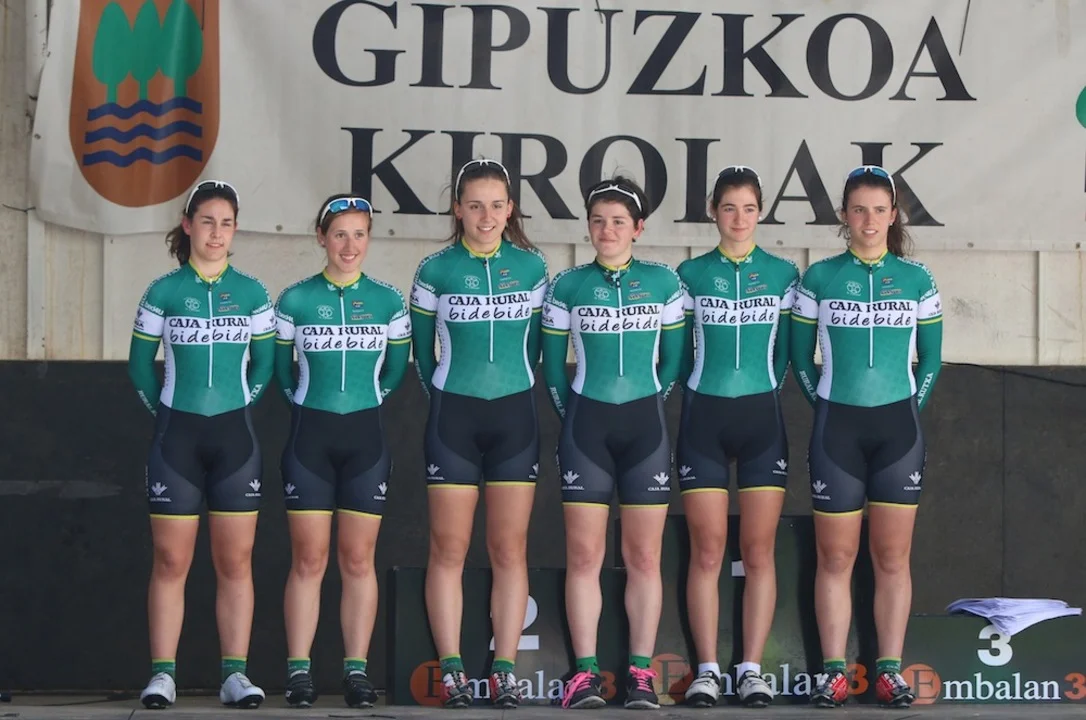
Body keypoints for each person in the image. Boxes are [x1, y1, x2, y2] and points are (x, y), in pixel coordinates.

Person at [790, 165, 943, 708]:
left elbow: (932, 360)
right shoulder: (819, 277)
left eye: (879, 210)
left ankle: (889, 671)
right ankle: (834, 671)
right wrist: (827, 408)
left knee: (893, 557)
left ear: (894, 215)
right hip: (838, 431)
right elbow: (799, 360)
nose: (869, 220)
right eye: (859, 210)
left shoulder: (917, 278)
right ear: (843, 215)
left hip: (899, 431)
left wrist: (907, 410)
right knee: (835, 558)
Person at [128, 180, 275, 709]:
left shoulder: (253, 293)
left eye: (226, 223)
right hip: (177, 441)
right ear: (188, 225)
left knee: (236, 562)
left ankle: (235, 675)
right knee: (171, 561)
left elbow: (265, 367)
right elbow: (139, 368)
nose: (217, 233)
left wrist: (236, 408)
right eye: (207, 221)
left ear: (235, 231)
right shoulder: (163, 292)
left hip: (235, 441)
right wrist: (169, 414)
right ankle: (162, 675)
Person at [542, 176, 685, 710]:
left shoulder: (664, 283)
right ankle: (584, 673)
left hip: (645, 429)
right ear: (588, 226)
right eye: (598, 221)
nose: (607, 230)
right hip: (586, 430)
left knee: (644, 556)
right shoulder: (567, 285)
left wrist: (646, 405)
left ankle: (640, 674)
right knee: (584, 556)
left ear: (638, 228)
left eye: (619, 221)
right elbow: (552, 371)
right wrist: (577, 415)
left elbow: (673, 362)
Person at [410, 159, 549, 708]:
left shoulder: (532, 267)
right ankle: (452, 670)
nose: (486, 216)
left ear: (510, 209)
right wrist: (448, 399)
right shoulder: (434, 270)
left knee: (509, 548)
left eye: (495, 205)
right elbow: (423, 356)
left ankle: (504, 671)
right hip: (454, 420)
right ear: (458, 210)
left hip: (515, 418)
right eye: (474, 206)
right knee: (448, 548)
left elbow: (538, 350)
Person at [275, 195, 411, 708]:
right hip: (309, 441)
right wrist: (309, 404)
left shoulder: (388, 301)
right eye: (339, 234)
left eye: (359, 234)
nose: (349, 245)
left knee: (358, 559)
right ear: (321, 237)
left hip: (365, 442)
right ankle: (299, 672)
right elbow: (281, 373)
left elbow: (395, 371)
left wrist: (366, 400)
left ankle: (357, 670)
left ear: (368, 238)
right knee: (308, 559)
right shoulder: (294, 300)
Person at [676, 166, 799, 708]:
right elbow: (679, 354)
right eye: (729, 208)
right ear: (713, 211)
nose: (739, 218)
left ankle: (750, 668)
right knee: (706, 551)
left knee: (758, 551)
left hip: (761, 422)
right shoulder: (689, 273)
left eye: (749, 208)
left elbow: (787, 354)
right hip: (702, 419)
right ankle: (706, 669)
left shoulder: (784, 274)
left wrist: (758, 391)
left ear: (761, 212)